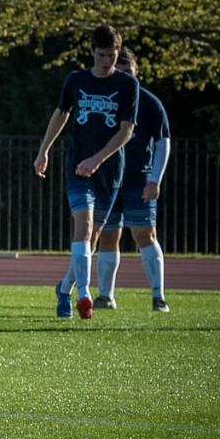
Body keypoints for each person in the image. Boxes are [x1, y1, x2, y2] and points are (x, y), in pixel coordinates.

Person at [33, 25, 138, 319]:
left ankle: (65, 288)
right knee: (84, 224)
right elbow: (61, 113)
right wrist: (44, 150)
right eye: (102, 55)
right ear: (92, 52)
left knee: (91, 241)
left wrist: (99, 159)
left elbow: (126, 131)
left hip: (108, 172)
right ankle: (84, 294)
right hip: (77, 167)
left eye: (112, 56)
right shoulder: (76, 80)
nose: (107, 61)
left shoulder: (128, 85)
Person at [93, 48, 172, 313]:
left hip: (139, 178)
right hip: (109, 178)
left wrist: (155, 179)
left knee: (145, 235)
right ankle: (105, 296)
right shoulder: (107, 100)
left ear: (136, 73)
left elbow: (164, 142)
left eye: (129, 72)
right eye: (121, 71)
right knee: (107, 236)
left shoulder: (150, 103)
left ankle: (158, 296)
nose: (125, 77)